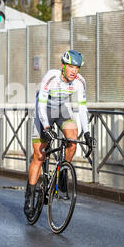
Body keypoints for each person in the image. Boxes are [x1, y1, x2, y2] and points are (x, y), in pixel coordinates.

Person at [24, 50, 94, 219]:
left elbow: (83, 108)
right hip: (44, 110)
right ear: (63, 66)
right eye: (71, 66)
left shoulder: (79, 82)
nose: (74, 71)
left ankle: (63, 170)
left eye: (77, 68)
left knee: (73, 138)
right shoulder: (51, 77)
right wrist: (47, 127)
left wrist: (87, 132)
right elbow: (40, 105)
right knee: (39, 155)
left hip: (62, 109)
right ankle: (29, 197)